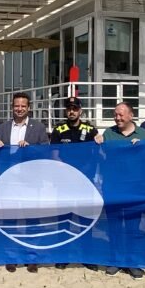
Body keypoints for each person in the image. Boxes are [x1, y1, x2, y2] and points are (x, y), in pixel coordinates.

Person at [0, 92, 49, 273]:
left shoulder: (39, 128)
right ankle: (11, 256)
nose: (19, 109)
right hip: (9, 181)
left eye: (23, 106)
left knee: (31, 219)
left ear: (29, 108)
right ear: (12, 107)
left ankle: (31, 257)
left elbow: (46, 152)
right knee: (10, 219)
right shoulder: (2, 128)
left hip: (31, 181)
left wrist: (31, 148)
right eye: (16, 106)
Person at [50, 96, 103, 269]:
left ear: (80, 110)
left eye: (75, 108)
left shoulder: (89, 129)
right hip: (64, 183)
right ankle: (62, 255)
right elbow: (54, 154)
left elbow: (99, 151)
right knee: (63, 219)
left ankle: (87, 256)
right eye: (69, 108)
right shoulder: (59, 129)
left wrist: (101, 140)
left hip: (84, 183)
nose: (71, 111)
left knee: (84, 219)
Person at [102, 102, 145, 279]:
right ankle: (116, 260)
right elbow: (101, 157)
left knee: (134, 226)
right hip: (113, 187)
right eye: (115, 114)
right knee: (114, 225)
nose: (118, 118)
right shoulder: (108, 133)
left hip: (135, 189)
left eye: (121, 114)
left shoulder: (143, 134)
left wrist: (142, 148)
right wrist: (97, 143)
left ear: (131, 115)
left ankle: (132, 262)